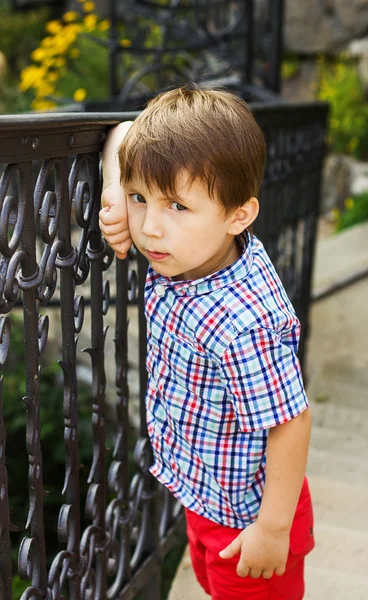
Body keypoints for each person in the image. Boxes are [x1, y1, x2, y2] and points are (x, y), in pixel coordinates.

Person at [99, 85, 315, 600]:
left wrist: (273, 530)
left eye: (176, 205)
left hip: (249, 518)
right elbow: (123, 133)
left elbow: (290, 423)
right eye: (140, 199)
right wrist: (114, 189)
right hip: (205, 491)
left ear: (239, 216)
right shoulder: (199, 250)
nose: (150, 228)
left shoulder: (243, 325)